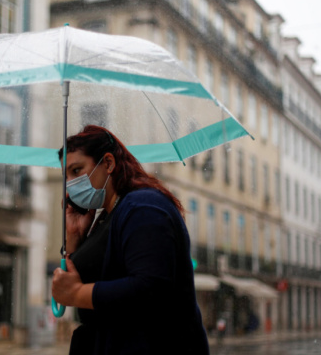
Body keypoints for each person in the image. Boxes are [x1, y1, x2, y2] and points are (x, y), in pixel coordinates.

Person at [52, 125, 210, 355]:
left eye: (76, 170)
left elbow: (150, 289)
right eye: (65, 176)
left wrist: (77, 294)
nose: (70, 184)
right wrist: (75, 236)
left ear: (108, 163)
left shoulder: (143, 206)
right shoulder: (108, 216)